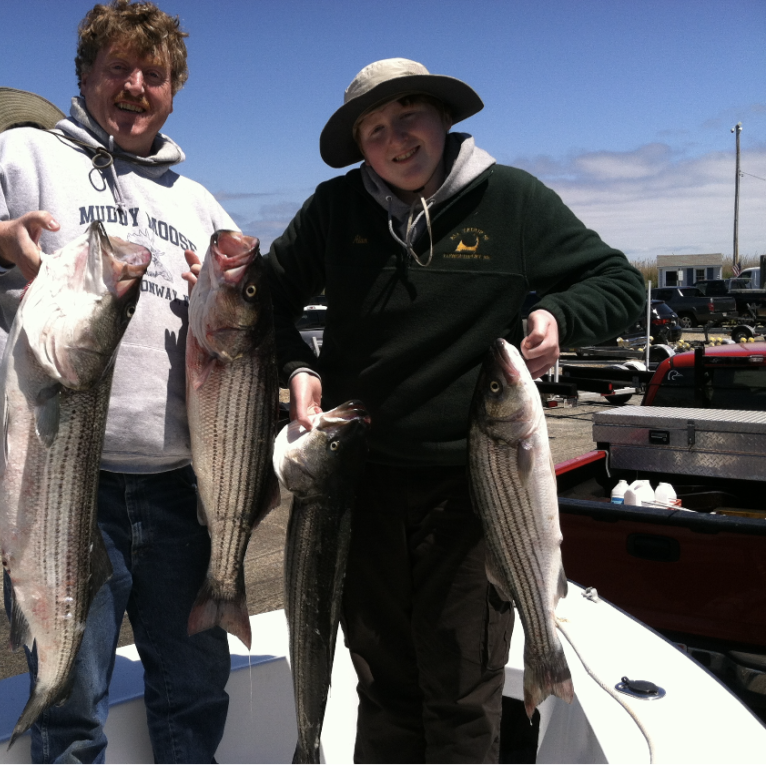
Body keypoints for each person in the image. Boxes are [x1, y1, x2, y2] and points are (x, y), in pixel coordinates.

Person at [0, 2, 234, 762]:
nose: (137, 86)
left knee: (195, 693)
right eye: (119, 68)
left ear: (175, 90)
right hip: (65, 489)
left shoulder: (195, 201)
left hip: (181, 493)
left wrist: (232, 294)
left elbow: (247, 317)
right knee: (70, 714)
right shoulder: (18, 157)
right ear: (84, 76)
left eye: (156, 74)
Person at [265, 58, 645, 763]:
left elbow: (619, 283)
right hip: (361, 491)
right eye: (374, 129)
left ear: (444, 117)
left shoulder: (513, 201)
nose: (395, 138)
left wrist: (559, 313)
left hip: (476, 499)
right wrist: (297, 365)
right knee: (383, 690)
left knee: (462, 696)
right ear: (359, 144)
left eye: (408, 115)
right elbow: (268, 297)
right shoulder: (334, 211)